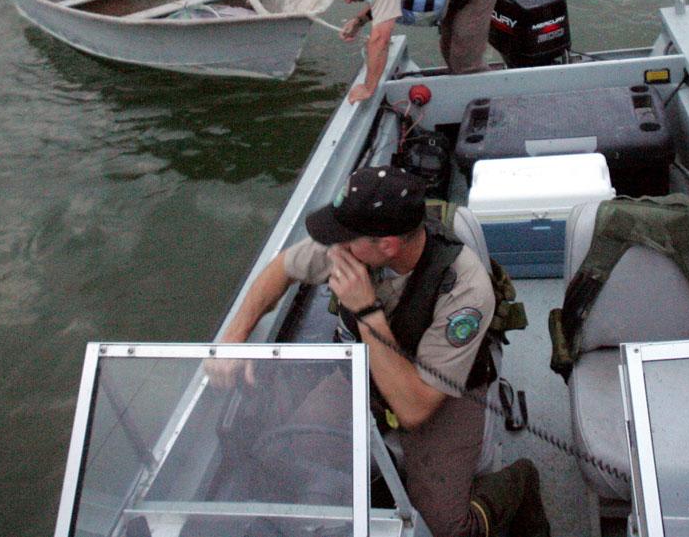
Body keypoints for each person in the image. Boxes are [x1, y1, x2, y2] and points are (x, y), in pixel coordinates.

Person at [208, 166, 549, 537]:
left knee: (450, 528)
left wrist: (367, 311)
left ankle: (519, 482)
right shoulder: (354, 245)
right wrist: (234, 337)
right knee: (284, 452)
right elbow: (280, 270)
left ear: (387, 245)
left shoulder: (465, 288)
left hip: (437, 394)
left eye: (345, 240)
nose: (334, 249)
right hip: (364, 378)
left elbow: (415, 409)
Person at [319, 0, 499, 103]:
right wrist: (359, 21)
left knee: (464, 61)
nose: (348, 0)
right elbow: (380, 1)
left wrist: (368, 88)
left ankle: (496, 100)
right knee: (448, 49)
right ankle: (467, 97)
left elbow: (380, 40)